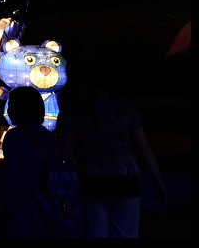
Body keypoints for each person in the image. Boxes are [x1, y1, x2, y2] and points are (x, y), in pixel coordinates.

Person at [57, 57, 169, 238]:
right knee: (126, 232)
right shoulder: (124, 106)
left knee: (97, 231)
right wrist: (158, 182)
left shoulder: (77, 110)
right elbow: (143, 147)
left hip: (92, 178)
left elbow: (66, 151)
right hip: (127, 178)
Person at [0, 86, 60, 237]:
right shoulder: (47, 135)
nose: (9, 110)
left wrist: (6, 209)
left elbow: (12, 176)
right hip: (47, 206)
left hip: (24, 205)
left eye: (11, 105)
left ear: (20, 109)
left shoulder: (14, 137)